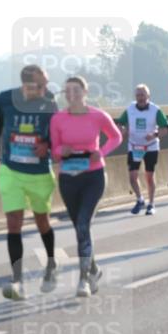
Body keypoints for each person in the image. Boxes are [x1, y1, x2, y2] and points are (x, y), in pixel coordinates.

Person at [0, 65, 59, 300]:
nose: (45, 89)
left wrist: (47, 145)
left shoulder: (49, 102)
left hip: (39, 173)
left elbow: (57, 132)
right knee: (13, 223)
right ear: (26, 84)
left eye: (46, 84)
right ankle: (17, 280)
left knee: (42, 221)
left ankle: (51, 263)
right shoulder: (5, 99)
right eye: (40, 85)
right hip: (11, 170)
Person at [50, 77, 122, 297]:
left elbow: (116, 137)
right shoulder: (58, 119)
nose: (71, 94)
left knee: (83, 223)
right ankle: (94, 269)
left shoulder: (97, 116)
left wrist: (101, 152)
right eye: (67, 90)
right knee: (81, 229)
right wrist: (61, 151)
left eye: (76, 90)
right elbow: (54, 150)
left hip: (93, 177)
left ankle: (83, 280)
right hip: (68, 178)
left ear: (85, 92)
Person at [116, 84, 168, 215]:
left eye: (143, 95)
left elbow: (166, 128)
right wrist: (122, 130)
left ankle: (151, 204)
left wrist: (155, 134)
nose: (140, 98)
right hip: (134, 146)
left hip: (150, 147)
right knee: (132, 176)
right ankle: (140, 199)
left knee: (149, 176)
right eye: (138, 95)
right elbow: (120, 123)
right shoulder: (130, 109)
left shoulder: (155, 110)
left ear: (148, 96)